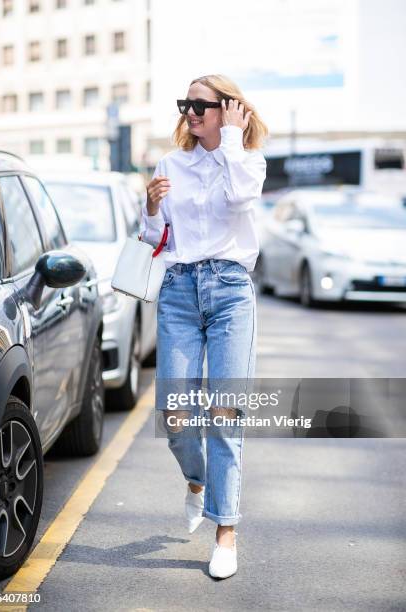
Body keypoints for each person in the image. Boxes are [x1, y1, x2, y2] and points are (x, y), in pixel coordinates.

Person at [139, 74, 268, 579]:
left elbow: (239, 201)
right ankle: (198, 481)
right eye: (185, 104)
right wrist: (150, 206)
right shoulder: (170, 164)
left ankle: (226, 532)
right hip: (178, 292)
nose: (190, 112)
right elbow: (153, 236)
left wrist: (234, 137)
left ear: (228, 109)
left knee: (224, 413)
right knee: (173, 413)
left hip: (231, 290)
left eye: (201, 104)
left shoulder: (247, 161)